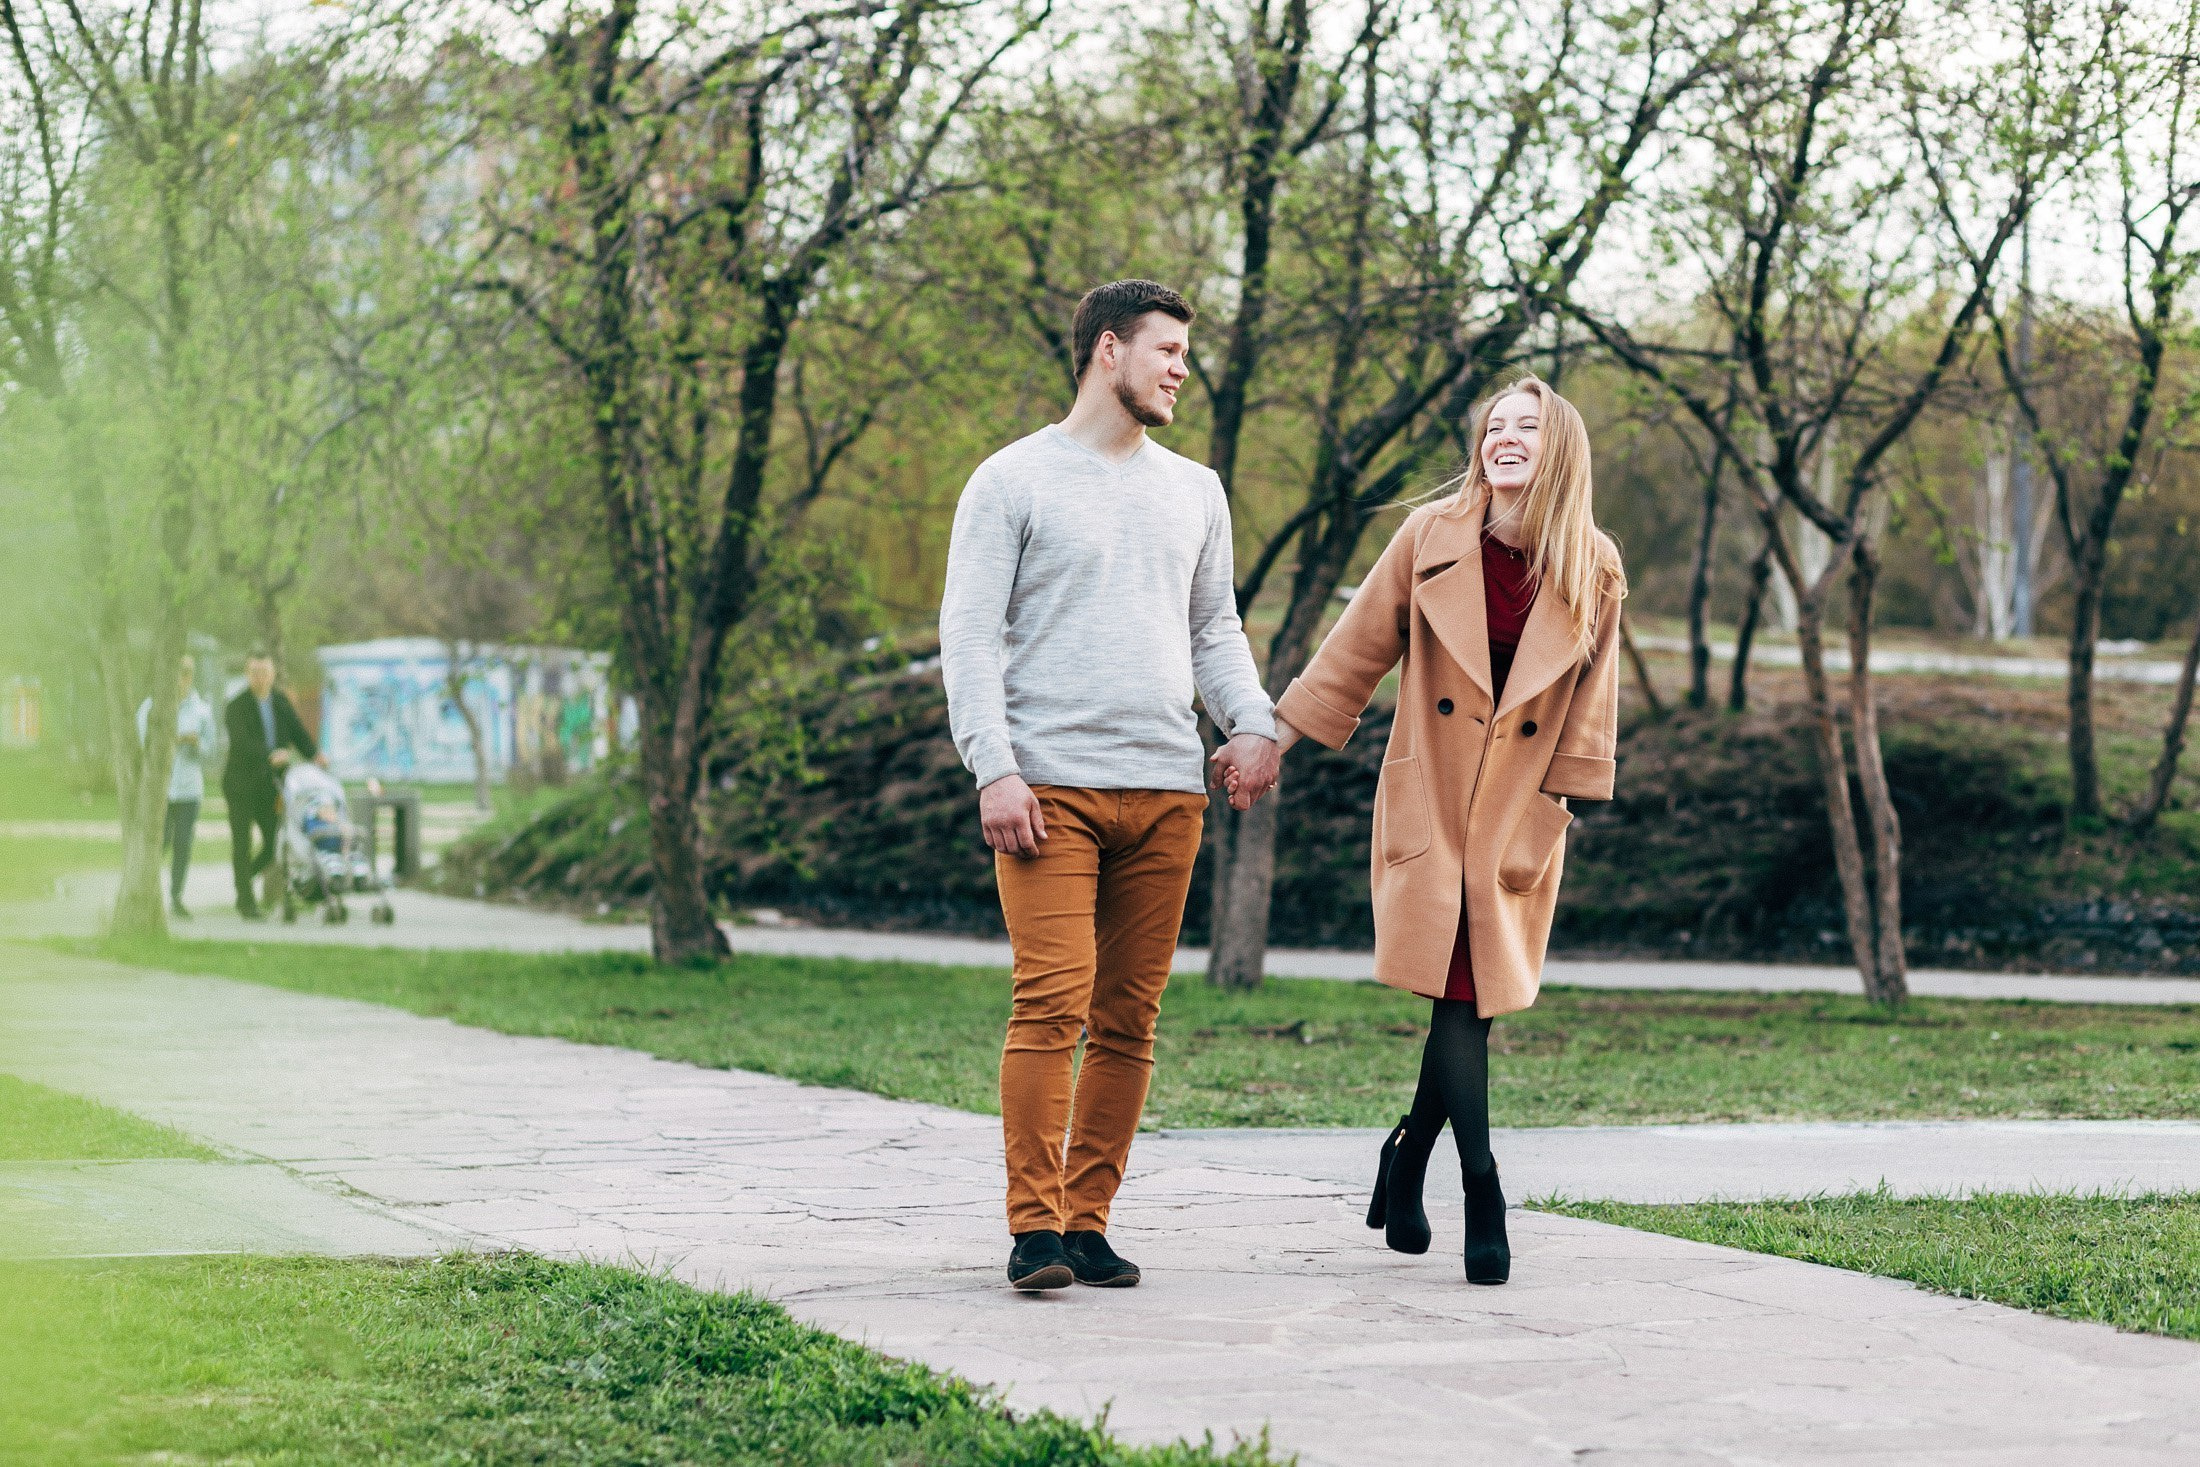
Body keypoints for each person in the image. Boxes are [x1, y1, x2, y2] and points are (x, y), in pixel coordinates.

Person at [940, 279, 1281, 1292]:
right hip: (1049, 794)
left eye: (1186, 353)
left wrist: (1252, 724)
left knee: (1129, 1020)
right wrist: (992, 766)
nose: (1181, 368)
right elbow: (966, 637)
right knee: (1050, 1004)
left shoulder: (1197, 490)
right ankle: (1032, 1227)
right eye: (1166, 349)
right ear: (1106, 350)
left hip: (1167, 794)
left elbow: (1212, 630)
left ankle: (1086, 1223)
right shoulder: (1011, 481)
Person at [1252, 376, 1623, 1285]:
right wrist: (1273, 739)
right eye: (1494, 425)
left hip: (1514, 814)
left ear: (1559, 448)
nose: (1505, 437)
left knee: (1467, 996)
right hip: (1433, 794)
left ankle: (1409, 1152)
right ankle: (1483, 1186)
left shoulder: (1594, 563)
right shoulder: (1430, 536)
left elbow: (1587, 713)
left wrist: (1555, 810)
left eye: (1526, 426)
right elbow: (1356, 647)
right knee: (1460, 995)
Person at [222, 651, 321, 919]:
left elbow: (297, 730)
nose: (261, 678)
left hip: (270, 787)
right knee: (241, 843)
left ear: (273, 674)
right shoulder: (236, 706)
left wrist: (314, 754)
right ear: (247, 674)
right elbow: (241, 744)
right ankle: (245, 901)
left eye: (265, 672)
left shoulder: (279, 703)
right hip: (241, 786)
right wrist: (270, 754)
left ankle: (243, 879)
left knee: (274, 844)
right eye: (255, 673)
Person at [136, 655, 217, 918]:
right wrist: (164, 740)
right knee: (160, 843)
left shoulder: (202, 710)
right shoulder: (151, 707)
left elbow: (211, 750)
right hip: (161, 789)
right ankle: (147, 893)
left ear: (190, 677)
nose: (180, 680)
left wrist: (196, 744)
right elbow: (141, 743)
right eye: (176, 673)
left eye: (186, 674)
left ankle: (176, 896)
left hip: (189, 790)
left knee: (183, 844)